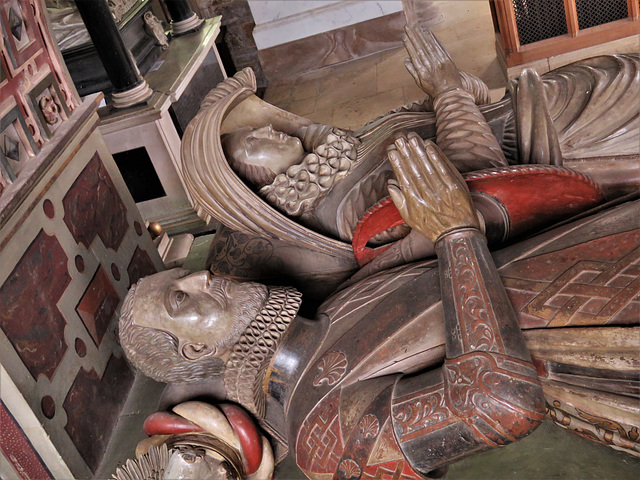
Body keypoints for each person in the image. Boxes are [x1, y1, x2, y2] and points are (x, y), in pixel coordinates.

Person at [119, 134, 639, 478]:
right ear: (194, 348)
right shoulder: (320, 437)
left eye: (185, 274)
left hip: (587, 256)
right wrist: (455, 232)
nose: (204, 274)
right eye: (180, 298)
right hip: (605, 321)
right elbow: (495, 403)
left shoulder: (318, 321)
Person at [183, 27, 638, 298]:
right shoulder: (345, 207)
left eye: (258, 122)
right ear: (252, 184)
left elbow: (453, 111)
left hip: (523, 109)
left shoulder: (348, 152)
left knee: (615, 72)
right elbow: (480, 189)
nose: (267, 127)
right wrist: (447, 92)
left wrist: (457, 89)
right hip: (554, 148)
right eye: (250, 143)